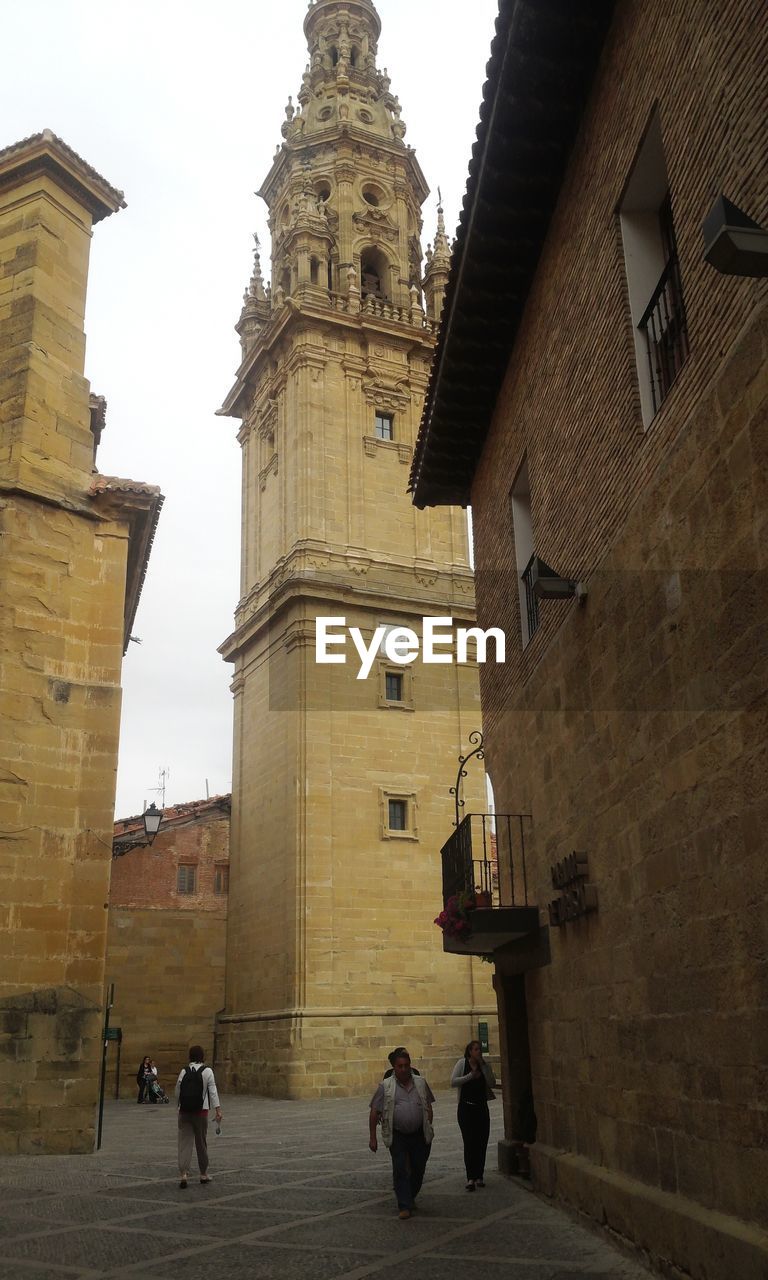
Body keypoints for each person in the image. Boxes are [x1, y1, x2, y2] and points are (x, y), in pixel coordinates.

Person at [369, 1050, 435, 1219]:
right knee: (400, 1169)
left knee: (418, 1167)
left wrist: (428, 1122)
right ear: (394, 1067)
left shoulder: (420, 1083)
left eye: (406, 1065)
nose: (404, 1069)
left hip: (419, 1133)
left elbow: (428, 1104)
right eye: (400, 1066)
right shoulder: (385, 1086)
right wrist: (373, 1138)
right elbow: (374, 1112)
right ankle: (404, 1205)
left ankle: (409, 1195)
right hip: (398, 1134)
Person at [174, 1045, 223, 1189]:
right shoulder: (207, 1071)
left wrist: (178, 1107)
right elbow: (213, 1091)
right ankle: (203, 1174)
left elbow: (177, 1090)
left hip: (184, 1112)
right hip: (201, 1112)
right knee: (201, 1142)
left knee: (184, 1143)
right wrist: (218, 1110)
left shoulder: (184, 1071)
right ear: (203, 1056)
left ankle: (183, 1174)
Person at [450, 1039, 496, 1190]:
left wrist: (484, 1067)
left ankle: (479, 1175)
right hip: (466, 1109)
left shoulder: (484, 1066)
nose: (478, 1052)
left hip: (481, 1108)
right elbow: (453, 1081)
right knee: (469, 1142)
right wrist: (470, 1076)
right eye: (475, 1049)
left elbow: (492, 1083)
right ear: (469, 1051)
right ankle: (471, 1177)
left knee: (481, 1142)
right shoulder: (462, 1064)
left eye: (479, 1050)